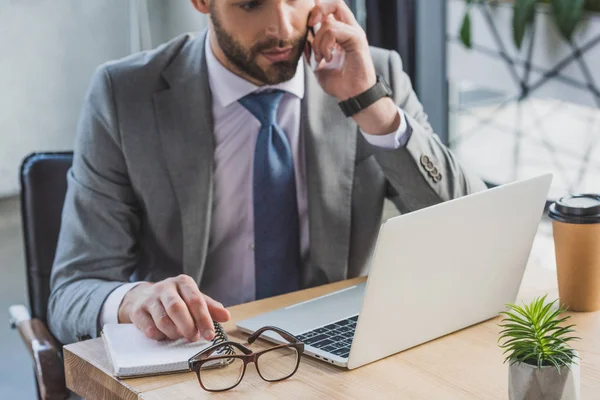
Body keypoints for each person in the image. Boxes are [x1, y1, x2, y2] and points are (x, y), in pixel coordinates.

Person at [48, 0, 486, 345]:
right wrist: (133, 299)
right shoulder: (125, 95)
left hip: (334, 355)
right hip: (198, 358)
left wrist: (370, 105)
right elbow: (72, 292)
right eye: (251, 4)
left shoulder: (372, 72)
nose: (282, 27)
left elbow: (474, 225)